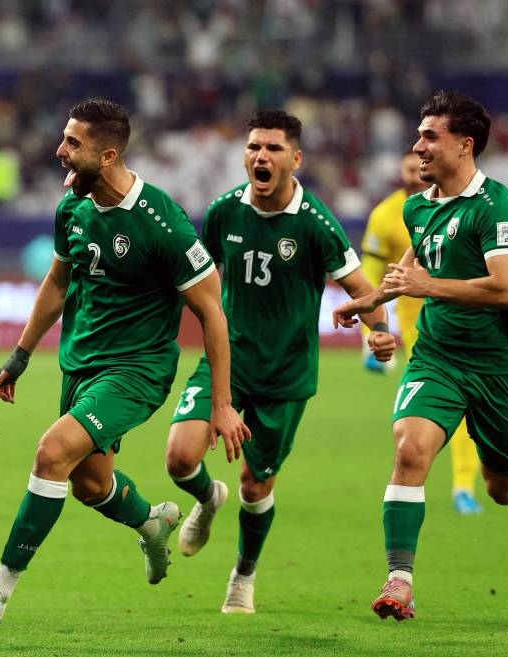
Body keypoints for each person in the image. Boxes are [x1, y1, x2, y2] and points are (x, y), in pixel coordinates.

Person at [0, 99, 250, 629]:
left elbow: (212, 313)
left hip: (137, 371)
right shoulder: (73, 207)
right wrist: (20, 356)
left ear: (108, 156)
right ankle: (152, 523)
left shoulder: (162, 223)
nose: (59, 151)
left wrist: (221, 405)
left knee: (51, 453)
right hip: (81, 364)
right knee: (89, 485)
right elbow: (57, 282)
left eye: (73, 143)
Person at [333, 90, 508, 622]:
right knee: (410, 448)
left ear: (465, 144)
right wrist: (372, 300)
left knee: (501, 486)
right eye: (419, 135)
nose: (418, 147)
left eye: (430, 137)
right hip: (436, 356)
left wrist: (428, 286)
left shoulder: (496, 206)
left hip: (498, 365)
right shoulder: (418, 206)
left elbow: (506, 289)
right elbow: (412, 266)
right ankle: (400, 579)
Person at [164, 109, 397, 615]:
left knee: (256, 484)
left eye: (272, 148)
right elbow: (198, 280)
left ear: (295, 158)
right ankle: (207, 498)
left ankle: (243, 576)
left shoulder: (315, 224)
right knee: (180, 458)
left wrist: (379, 330)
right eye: (253, 147)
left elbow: (360, 287)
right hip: (227, 361)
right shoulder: (223, 212)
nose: (260, 156)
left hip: (285, 377)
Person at [359, 152, 484, 516]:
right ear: (400, 173)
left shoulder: (459, 207)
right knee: (438, 413)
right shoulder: (386, 215)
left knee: (465, 410)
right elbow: (370, 276)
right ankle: (434, 482)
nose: (416, 175)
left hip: (460, 321)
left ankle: (464, 486)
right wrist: (373, 332)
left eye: (420, 168)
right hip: (418, 328)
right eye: (409, 169)